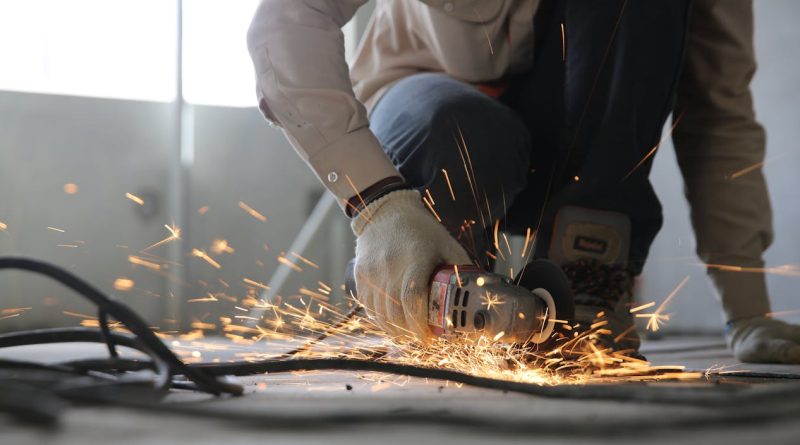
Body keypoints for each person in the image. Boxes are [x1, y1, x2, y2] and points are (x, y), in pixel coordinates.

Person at [247, 0, 800, 363]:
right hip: (436, 122)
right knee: (453, 126)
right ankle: (435, 280)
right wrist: (378, 207)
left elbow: (718, 113)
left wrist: (748, 310)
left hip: (581, 154)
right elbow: (288, 21)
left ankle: (588, 277)